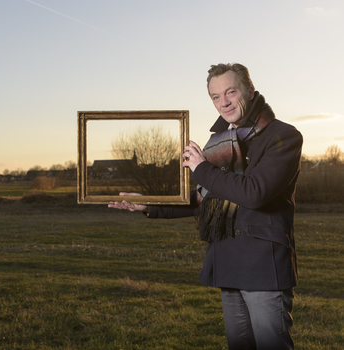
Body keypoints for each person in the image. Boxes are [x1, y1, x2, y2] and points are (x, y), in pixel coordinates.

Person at [108, 63, 303, 350]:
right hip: (227, 259)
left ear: (249, 90)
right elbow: (203, 198)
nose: (223, 102)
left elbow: (254, 193)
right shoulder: (220, 142)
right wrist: (148, 204)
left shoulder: (283, 136)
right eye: (215, 96)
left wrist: (202, 169)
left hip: (263, 264)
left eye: (230, 92)